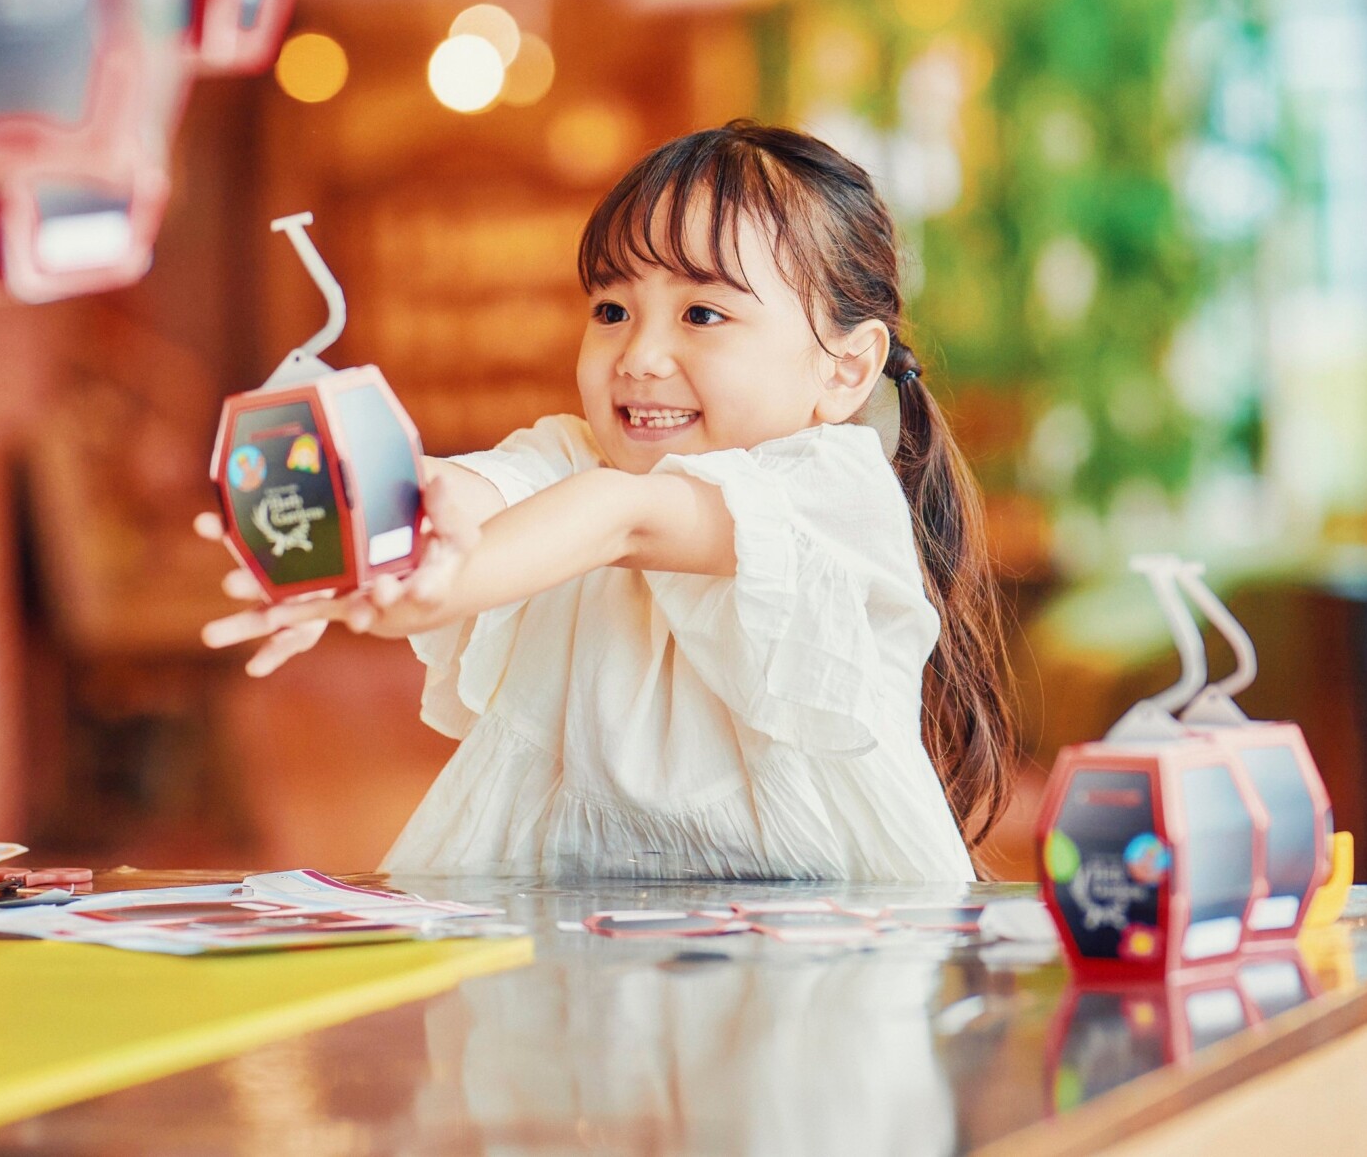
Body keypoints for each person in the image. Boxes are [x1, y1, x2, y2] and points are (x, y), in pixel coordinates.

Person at [202, 121, 1016, 880]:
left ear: (843, 367)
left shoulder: (829, 491)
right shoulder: (571, 454)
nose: (640, 353)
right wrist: (378, 542)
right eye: (612, 309)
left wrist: (436, 577)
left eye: (702, 312)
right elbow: (474, 495)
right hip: (586, 963)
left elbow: (623, 514)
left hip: (826, 960)